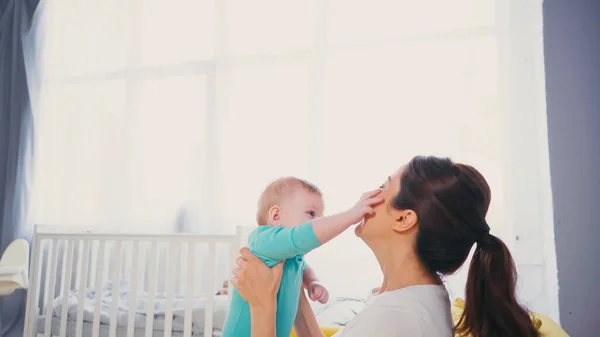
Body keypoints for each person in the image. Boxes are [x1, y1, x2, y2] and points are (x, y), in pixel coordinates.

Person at [231, 156, 540, 337]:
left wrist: (262, 308)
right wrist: (298, 300)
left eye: (384, 186)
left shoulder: (397, 319)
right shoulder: (404, 300)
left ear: (404, 219)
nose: (370, 194)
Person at [221, 177, 383, 337]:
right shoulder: (264, 240)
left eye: (321, 217)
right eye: (311, 214)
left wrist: (312, 282)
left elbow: (303, 268)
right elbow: (303, 235)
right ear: (276, 216)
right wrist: (351, 214)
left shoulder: (291, 255)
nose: (319, 222)